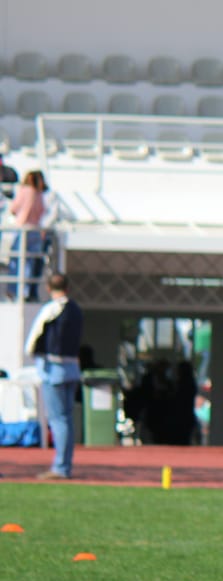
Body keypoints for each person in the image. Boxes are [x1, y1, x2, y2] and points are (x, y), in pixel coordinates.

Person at [24, 273, 84, 480]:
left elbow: (33, 338)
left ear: (48, 288)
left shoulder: (51, 309)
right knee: (66, 419)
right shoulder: (76, 310)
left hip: (54, 368)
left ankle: (61, 467)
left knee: (58, 419)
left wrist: (32, 354)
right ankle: (65, 464)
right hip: (72, 368)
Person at [7, 170, 45, 300]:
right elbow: (41, 211)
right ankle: (27, 292)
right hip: (35, 230)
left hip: (23, 229)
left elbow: (14, 208)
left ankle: (15, 292)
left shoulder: (25, 191)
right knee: (30, 262)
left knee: (17, 262)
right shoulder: (39, 194)